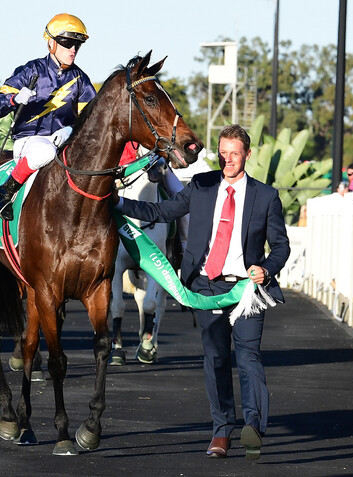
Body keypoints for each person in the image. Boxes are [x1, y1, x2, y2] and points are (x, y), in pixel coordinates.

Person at [114, 124, 290, 460]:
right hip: (206, 288)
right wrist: (117, 202)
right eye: (223, 153)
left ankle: (253, 425)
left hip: (248, 289)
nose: (228, 160)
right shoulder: (202, 184)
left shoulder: (266, 196)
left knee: (248, 356)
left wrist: (267, 268)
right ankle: (221, 431)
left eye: (234, 154)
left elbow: (281, 245)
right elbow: (159, 211)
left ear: (247, 155)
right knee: (216, 359)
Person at [0, 13, 96, 220]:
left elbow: (90, 119)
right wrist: (14, 99)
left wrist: (72, 130)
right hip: (29, 141)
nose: (73, 49)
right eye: (67, 43)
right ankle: (5, 191)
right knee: (45, 152)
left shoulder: (81, 79)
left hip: (64, 143)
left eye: (77, 45)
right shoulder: (30, 71)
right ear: (51, 44)